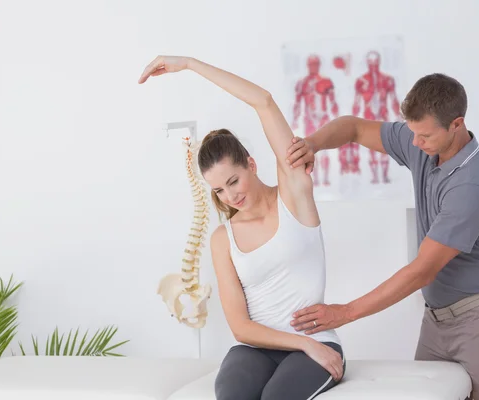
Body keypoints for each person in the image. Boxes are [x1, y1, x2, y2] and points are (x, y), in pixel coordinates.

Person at [285, 73, 479, 400]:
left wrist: (345, 312)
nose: (414, 143)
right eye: (411, 132)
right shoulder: (424, 143)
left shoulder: (474, 181)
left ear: (456, 124)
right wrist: (312, 143)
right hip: (437, 320)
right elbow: (353, 127)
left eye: (423, 135)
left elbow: (422, 270)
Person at [138, 55, 346, 400]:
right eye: (219, 190)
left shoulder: (294, 197)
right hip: (257, 348)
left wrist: (189, 65)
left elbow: (263, 101)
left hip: (317, 342)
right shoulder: (223, 239)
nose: (230, 195)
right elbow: (240, 326)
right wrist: (300, 343)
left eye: (234, 181)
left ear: (251, 163)